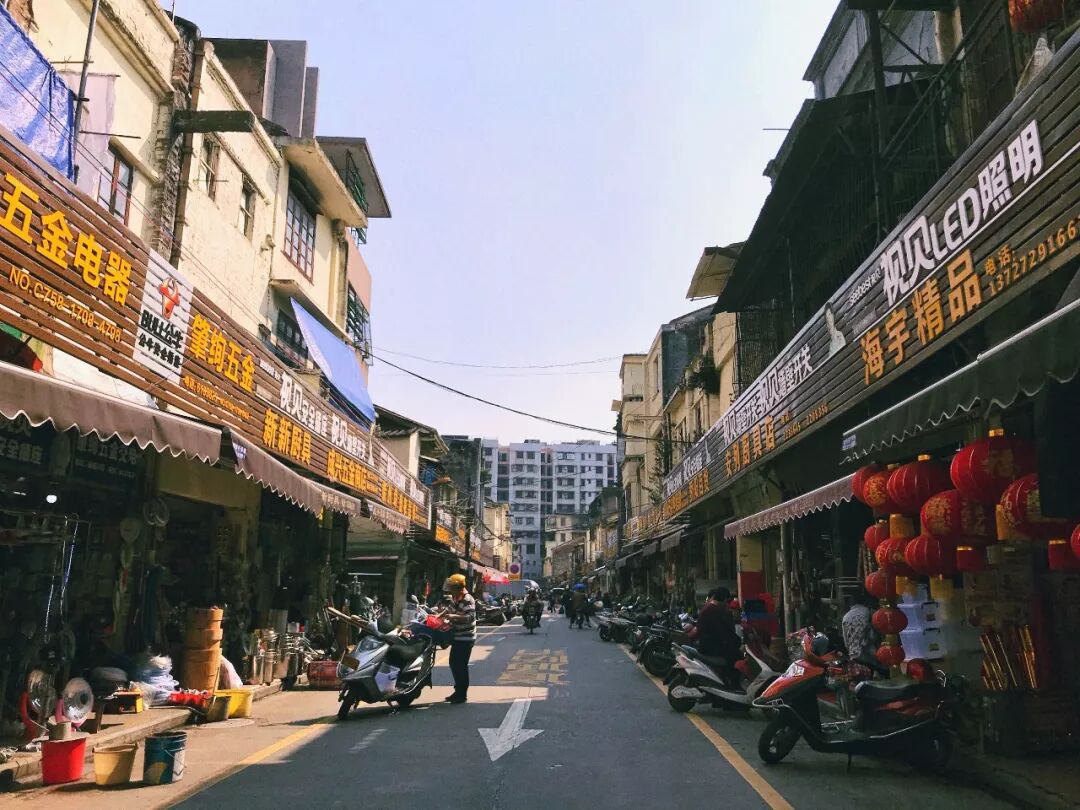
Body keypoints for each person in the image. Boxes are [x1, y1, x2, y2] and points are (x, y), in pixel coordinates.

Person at [440, 574, 476, 704]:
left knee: (460, 665)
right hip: (457, 637)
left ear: (459, 587)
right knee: (454, 663)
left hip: (466, 638)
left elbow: (469, 617)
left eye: (452, 588)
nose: (450, 590)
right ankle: (458, 691)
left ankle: (462, 694)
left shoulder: (467, 599)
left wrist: (453, 616)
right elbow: (448, 610)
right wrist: (438, 615)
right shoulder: (456, 597)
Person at [687, 588, 741, 664]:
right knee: (738, 657)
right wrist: (738, 642)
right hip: (711, 649)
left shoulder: (708, 607)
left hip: (706, 646)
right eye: (727, 601)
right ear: (725, 599)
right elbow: (724, 633)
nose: (727, 604)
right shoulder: (716, 611)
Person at [842, 589, 874, 662]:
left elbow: (846, 642)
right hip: (869, 651)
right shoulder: (867, 611)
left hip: (854, 654)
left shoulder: (845, 617)